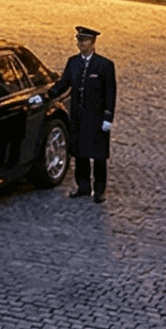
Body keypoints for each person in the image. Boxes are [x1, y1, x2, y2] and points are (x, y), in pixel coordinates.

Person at [51, 25, 117, 201]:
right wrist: (47, 94)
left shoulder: (104, 65)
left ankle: (100, 189)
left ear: (93, 42)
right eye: (79, 40)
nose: (81, 44)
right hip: (79, 117)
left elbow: (110, 93)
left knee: (99, 155)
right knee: (80, 153)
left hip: (96, 118)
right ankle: (83, 186)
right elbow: (64, 83)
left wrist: (108, 117)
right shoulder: (73, 62)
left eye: (84, 40)